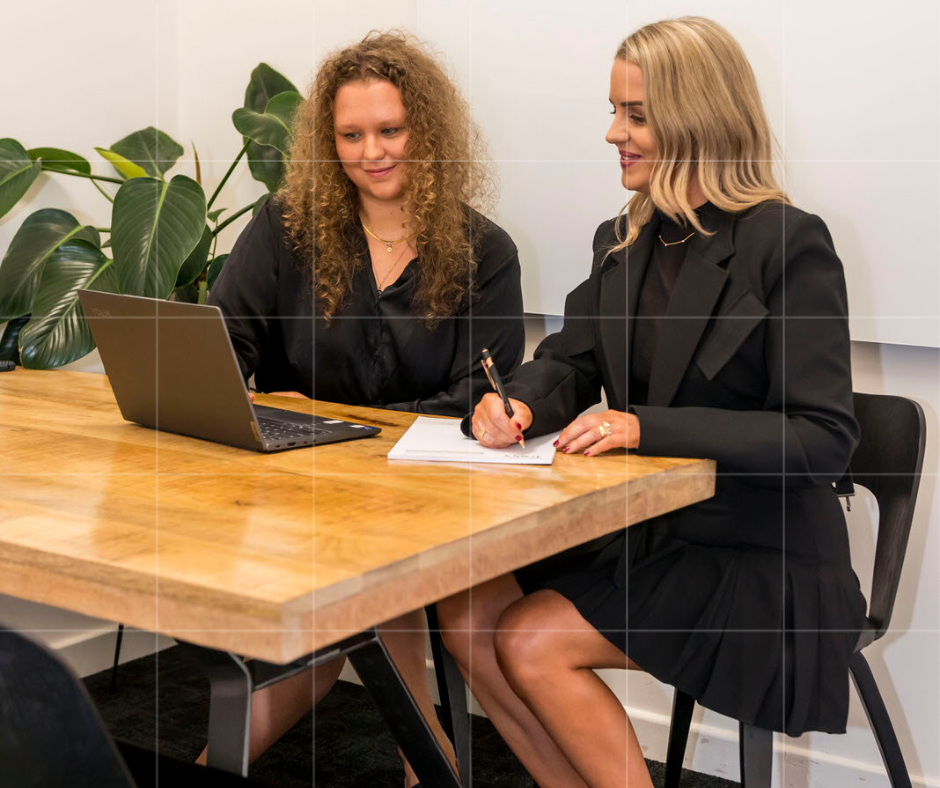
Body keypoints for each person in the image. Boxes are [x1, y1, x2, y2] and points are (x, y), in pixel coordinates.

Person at [437, 17, 866, 788]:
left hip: (761, 557)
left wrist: (643, 426)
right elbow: (571, 358)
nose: (612, 133)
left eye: (635, 115)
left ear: (698, 119)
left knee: (533, 641)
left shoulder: (787, 243)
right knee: (465, 605)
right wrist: (521, 406)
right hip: (654, 532)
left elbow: (822, 437)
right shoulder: (622, 240)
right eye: (614, 111)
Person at [206, 30, 524, 786]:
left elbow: (477, 397)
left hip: (428, 492)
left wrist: (320, 412)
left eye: (391, 130)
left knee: (371, 588)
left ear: (430, 132)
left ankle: (431, 770)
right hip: (296, 489)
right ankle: (434, 769)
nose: (372, 152)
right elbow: (224, 345)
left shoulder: (487, 251)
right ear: (328, 140)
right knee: (336, 624)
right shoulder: (285, 230)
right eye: (351, 135)